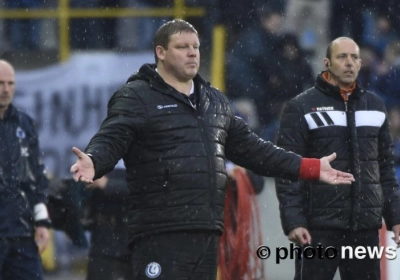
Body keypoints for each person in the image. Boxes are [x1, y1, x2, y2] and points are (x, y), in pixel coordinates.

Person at [70, 19, 354, 279]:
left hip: (207, 233)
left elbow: (257, 151)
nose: (193, 53)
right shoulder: (136, 96)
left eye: (195, 47)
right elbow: (112, 136)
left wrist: (311, 167)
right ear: (161, 52)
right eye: (182, 47)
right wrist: (95, 161)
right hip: (159, 233)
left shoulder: (215, 102)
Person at [275, 37, 400, 280]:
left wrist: (395, 217)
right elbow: (288, 170)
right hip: (317, 228)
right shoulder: (301, 107)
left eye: (354, 57)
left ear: (361, 63)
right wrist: (294, 222)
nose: (349, 62)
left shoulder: (375, 106)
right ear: (327, 63)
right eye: (342, 57)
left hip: (364, 229)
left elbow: (385, 168)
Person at [0, 59, 51, 279]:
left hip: (20, 233)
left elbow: (36, 176)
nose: (6, 89)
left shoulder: (24, 124)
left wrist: (41, 221)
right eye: (0, 83)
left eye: (11, 83)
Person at [85, 166, 132, 280]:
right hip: (103, 238)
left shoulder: (140, 157)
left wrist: (108, 184)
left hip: (131, 237)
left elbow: (143, 188)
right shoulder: (98, 156)